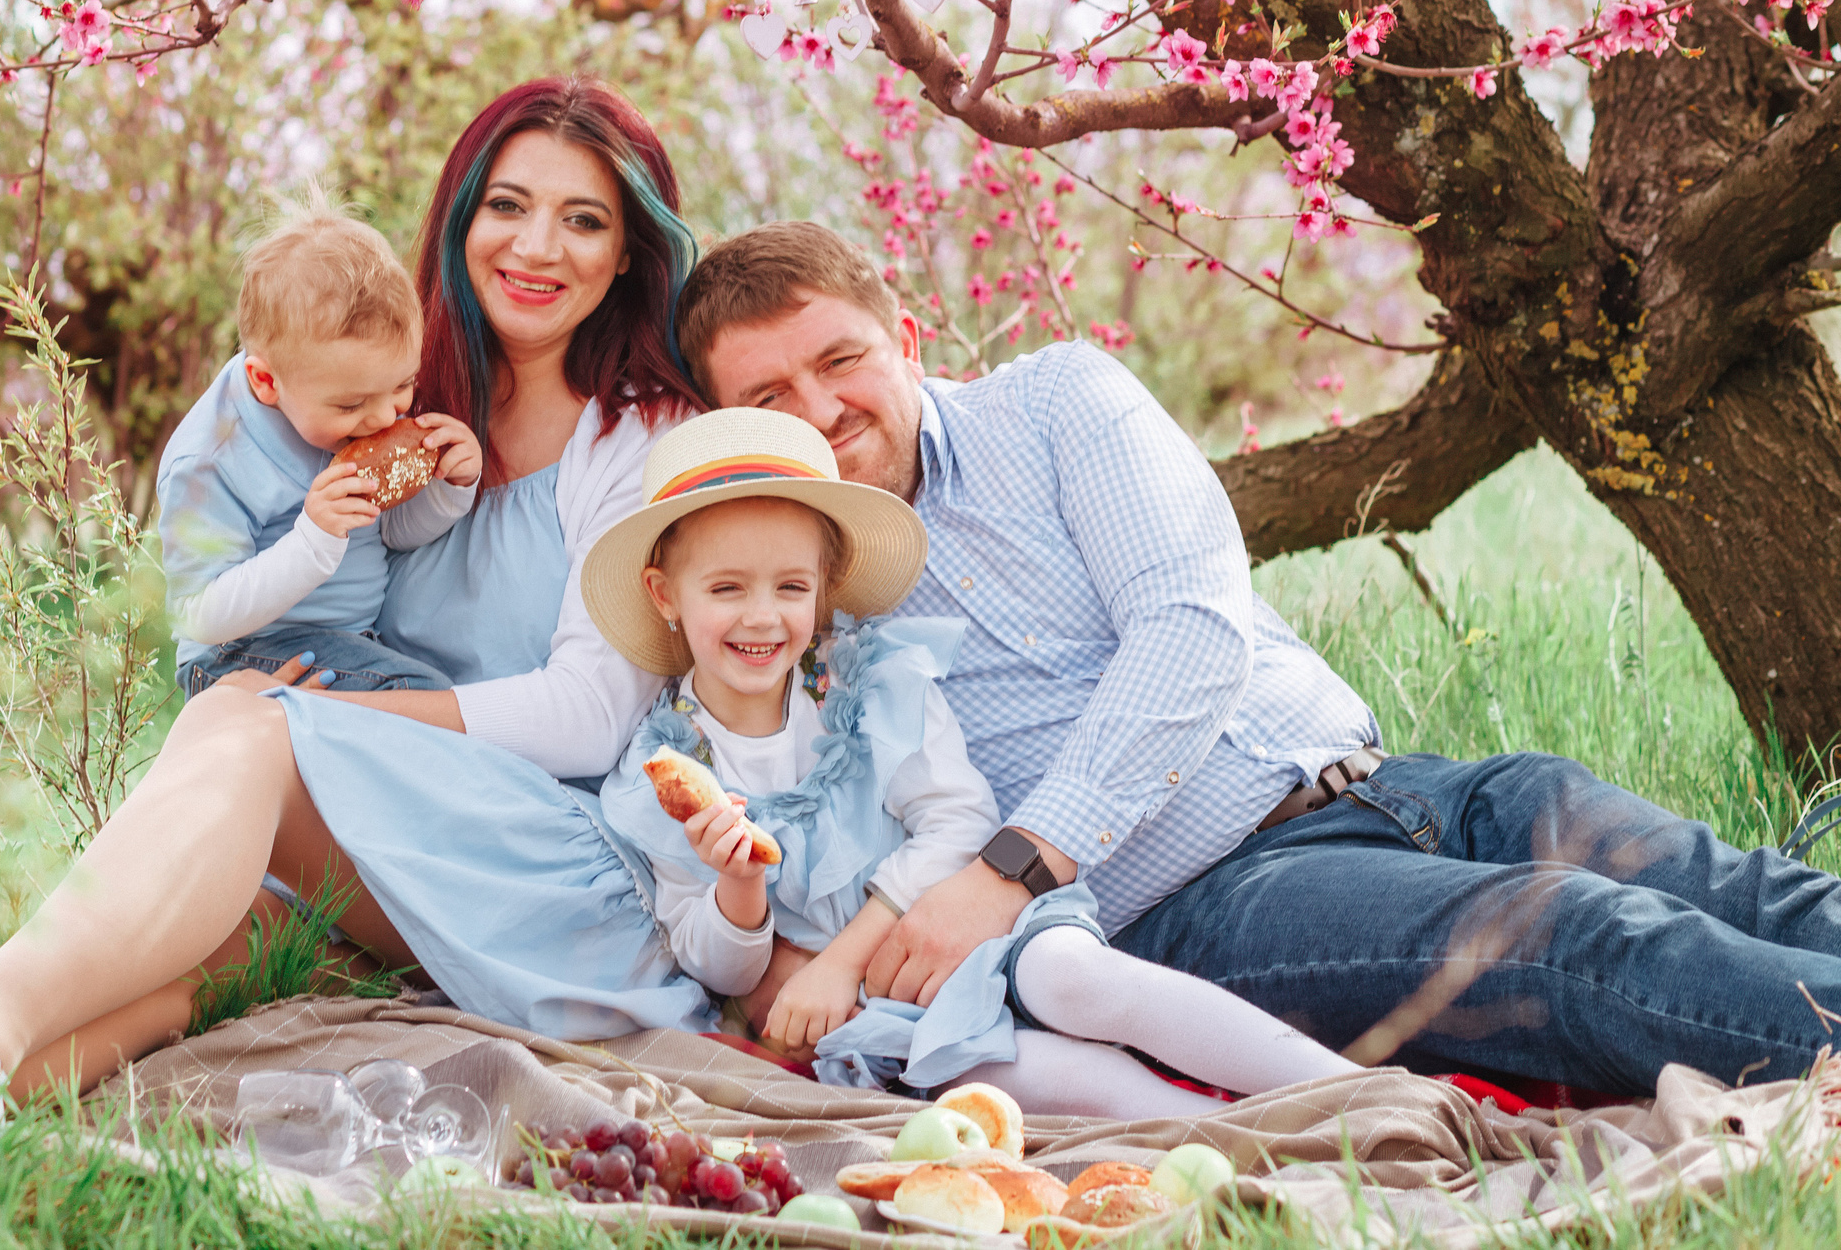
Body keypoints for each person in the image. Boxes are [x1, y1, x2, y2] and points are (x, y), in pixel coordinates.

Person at [0, 79, 719, 1120]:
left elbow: (589, 718)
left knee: (248, 720)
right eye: (507, 205)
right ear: (460, 219)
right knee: (200, 944)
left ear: (628, 250)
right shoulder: (397, 399)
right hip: (406, 828)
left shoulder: (638, 434)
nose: (536, 246)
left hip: (559, 869)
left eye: (583, 220)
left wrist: (323, 719)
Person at [673, 220, 1841, 1098]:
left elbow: (1190, 624)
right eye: (769, 395)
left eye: (839, 361)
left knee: (1730, 884)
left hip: (1393, 781)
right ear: (730, 425)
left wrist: (1013, 861)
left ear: (907, 340)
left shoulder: (1056, 402)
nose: (819, 408)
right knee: (1575, 938)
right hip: (1215, 901)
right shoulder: (793, 611)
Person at [585, 408, 1359, 1116]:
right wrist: (740, 885)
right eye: (726, 587)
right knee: (995, 1077)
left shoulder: (874, 685)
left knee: (1072, 977)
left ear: (824, 593)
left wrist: (840, 962)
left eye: (791, 585)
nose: (762, 615)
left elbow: (959, 821)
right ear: (664, 593)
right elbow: (712, 962)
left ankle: (1349, 1095)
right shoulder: (663, 777)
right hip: (889, 1015)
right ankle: (1235, 1135)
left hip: (979, 929)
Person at [156, 197, 482, 695]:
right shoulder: (212, 459)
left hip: (351, 643)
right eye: (351, 405)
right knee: (423, 699)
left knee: (447, 687)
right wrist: (313, 539)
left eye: (402, 386)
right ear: (267, 381)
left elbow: (389, 532)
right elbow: (197, 613)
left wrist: (449, 489)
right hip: (241, 655)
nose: (383, 417)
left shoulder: (343, 411)